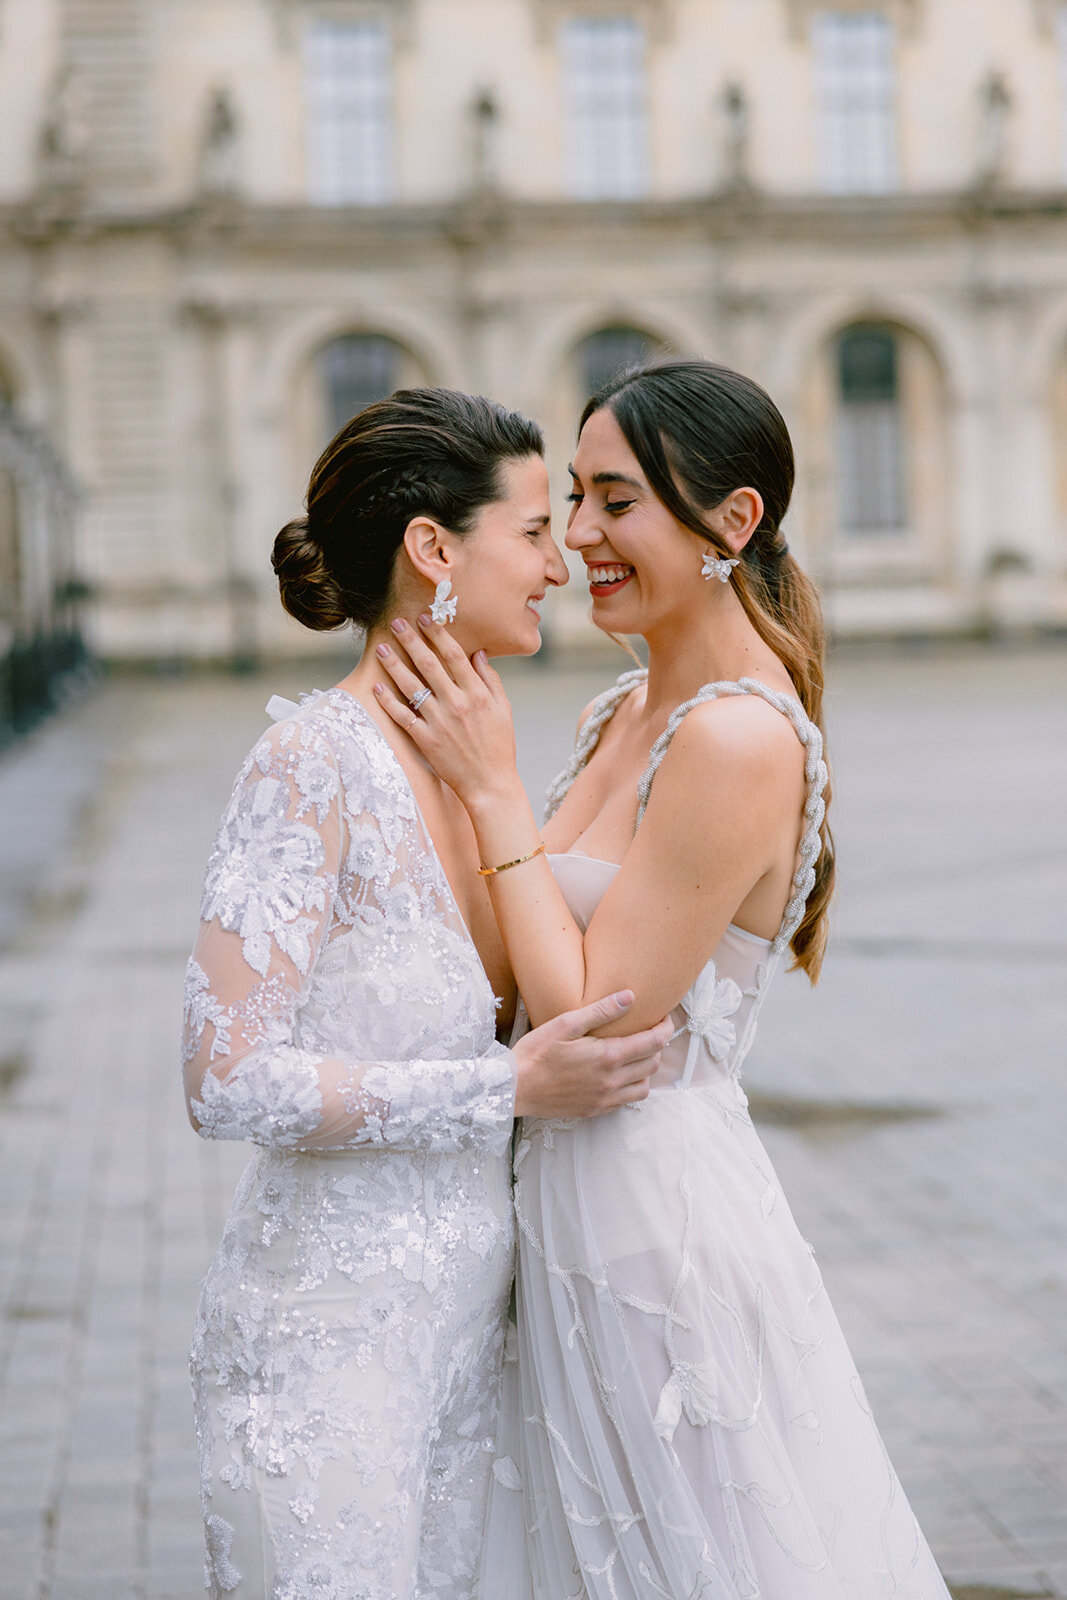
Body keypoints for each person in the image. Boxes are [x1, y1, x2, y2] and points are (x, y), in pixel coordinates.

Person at [374, 360, 953, 1598]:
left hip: (652, 1227)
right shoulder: (618, 710)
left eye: (614, 500)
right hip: (554, 1200)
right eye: (574, 499)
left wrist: (486, 788)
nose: (578, 534)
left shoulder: (737, 736)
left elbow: (591, 1005)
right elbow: (510, 962)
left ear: (729, 523)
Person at [181, 387, 672, 1600]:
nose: (559, 562)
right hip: (324, 1342)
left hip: (468, 1346)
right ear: (433, 549)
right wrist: (507, 1085)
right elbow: (223, 1075)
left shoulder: (480, 760)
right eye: (530, 530)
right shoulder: (310, 760)